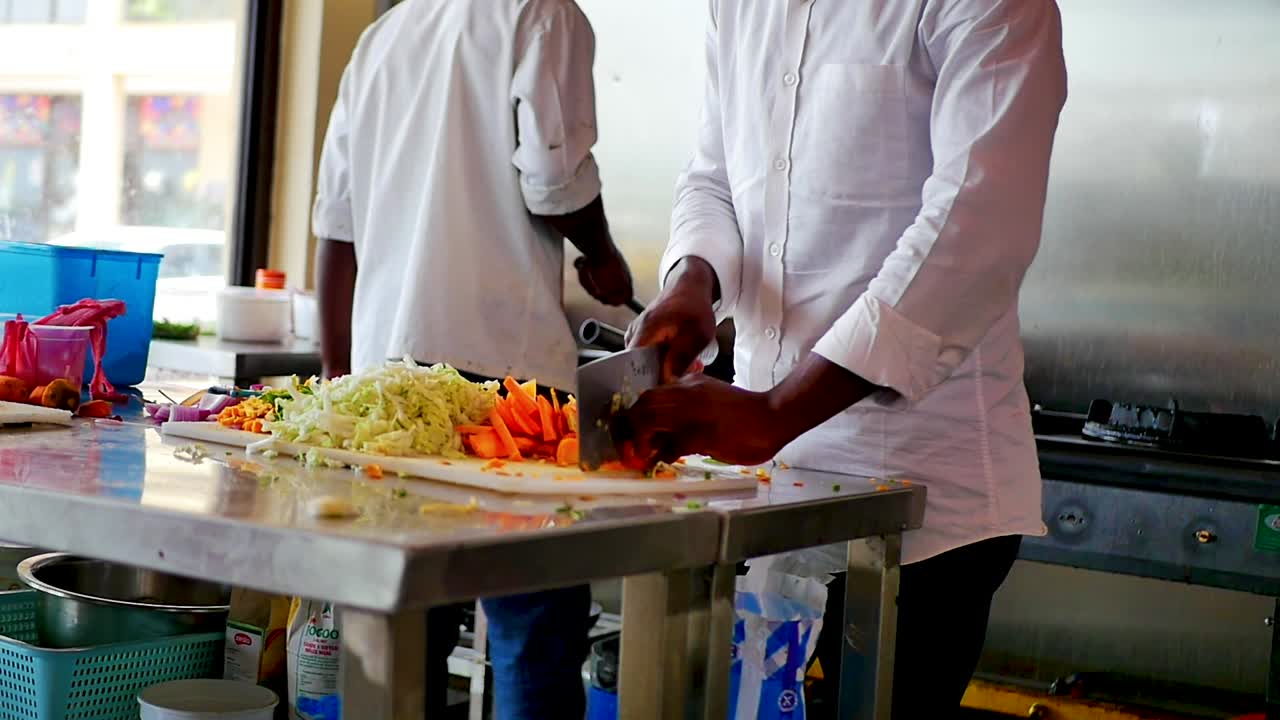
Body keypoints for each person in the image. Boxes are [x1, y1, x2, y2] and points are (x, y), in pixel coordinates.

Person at [626, 1, 1067, 717]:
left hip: (925, 509)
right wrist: (693, 280)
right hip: (772, 492)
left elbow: (977, 226)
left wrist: (778, 411)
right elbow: (712, 175)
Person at [311, 0, 631, 717]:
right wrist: (603, 256)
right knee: (533, 626)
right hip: (506, 384)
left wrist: (341, 382)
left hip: (387, 394)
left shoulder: (383, 37)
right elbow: (552, 180)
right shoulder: (543, 13)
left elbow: (336, 227)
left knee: (402, 625)